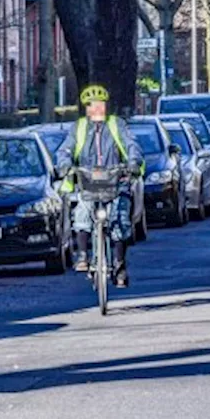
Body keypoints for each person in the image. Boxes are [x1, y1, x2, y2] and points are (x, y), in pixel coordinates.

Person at [54, 84, 143, 287]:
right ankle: (83, 256)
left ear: (106, 106)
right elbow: (65, 150)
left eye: (100, 105)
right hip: (88, 184)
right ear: (86, 108)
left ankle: (119, 265)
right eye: (91, 106)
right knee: (82, 214)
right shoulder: (79, 128)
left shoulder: (116, 125)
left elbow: (132, 145)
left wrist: (133, 163)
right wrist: (66, 165)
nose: (96, 109)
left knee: (120, 220)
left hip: (115, 181)